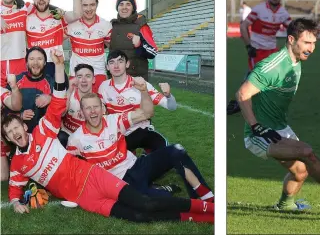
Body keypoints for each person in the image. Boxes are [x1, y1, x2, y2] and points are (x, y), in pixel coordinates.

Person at [2, 49, 213, 223]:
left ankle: (208, 204)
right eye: (10, 133)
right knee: (141, 212)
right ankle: (188, 209)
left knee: (161, 176)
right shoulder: (65, 143)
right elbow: (16, 187)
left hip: (107, 175)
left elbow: (57, 102)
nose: (15, 133)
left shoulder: (50, 130)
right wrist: (17, 201)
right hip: (94, 191)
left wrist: (58, 66)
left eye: (16, 128)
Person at [236, 18, 320, 211]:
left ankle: (285, 205)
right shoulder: (273, 66)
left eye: (314, 43)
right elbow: (242, 94)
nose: (311, 48)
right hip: (260, 134)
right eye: (306, 43)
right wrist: (256, 126)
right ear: (291, 40)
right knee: (306, 152)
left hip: (279, 127)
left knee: (300, 171)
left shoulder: (295, 61)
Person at [68, 90, 214, 201]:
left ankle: (206, 196)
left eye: (96, 107)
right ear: (82, 112)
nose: (93, 111)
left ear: (103, 109)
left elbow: (147, 113)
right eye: (88, 108)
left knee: (177, 150)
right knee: (155, 201)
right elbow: (69, 168)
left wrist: (143, 90)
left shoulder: (115, 120)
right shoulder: (76, 139)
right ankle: (162, 190)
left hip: (138, 166)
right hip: (121, 182)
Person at [227, 0, 291, 116]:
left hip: (272, 49)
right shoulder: (259, 9)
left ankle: (263, 103)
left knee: (275, 76)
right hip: (257, 49)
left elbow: (292, 28)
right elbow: (243, 26)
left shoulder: (283, 13)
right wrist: (248, 46)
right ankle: (240, 100)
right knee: (254, 75)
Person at [98, 50, 176, 152]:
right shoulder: (103, 87)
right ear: (107, 67)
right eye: (112, 62)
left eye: (120, 61)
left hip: (141, 130)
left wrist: (168, 95)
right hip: (119, 134)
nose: (116, 65)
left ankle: (148, 156)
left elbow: (172, 106)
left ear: (127, 64)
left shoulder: (141, 83)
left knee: (164, 151)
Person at [26, 0, 82, 77]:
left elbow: (77, 14)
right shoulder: (27, 19)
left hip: (56, 67)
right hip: (34, 68)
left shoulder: (58, 17)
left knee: (59, 93)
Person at [66, 0, 112, 92]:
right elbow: (56, 40)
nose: (88, 9)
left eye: (92, 5)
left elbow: (113, 48)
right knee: (75, 107)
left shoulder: (105, 25)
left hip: (98, 75)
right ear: (80, 6)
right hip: (76, 75)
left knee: (98, 107)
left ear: (97, 4)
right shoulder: (72, 25)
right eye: (85, 5)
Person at [6, 47, 57, 133]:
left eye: (40, 59)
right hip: (20, 133)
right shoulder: (15, 81)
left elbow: (62, 104)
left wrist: (50, 98)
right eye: (32, 59)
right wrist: (19, 115)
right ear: (26, 63)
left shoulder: (51, 82)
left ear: (45, 63)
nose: (35, 63)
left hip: (44, 132)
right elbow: (4, 110)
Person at [109, 0, 157, 81]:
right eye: (121, 4)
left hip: (136, 81)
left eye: (128, 4)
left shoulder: (142, 26)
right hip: (115, 81)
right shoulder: (111, 26)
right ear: (117, 7)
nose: (124, 7)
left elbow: (153, 52)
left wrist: (139, 45)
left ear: (133, 8)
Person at [59, 63, 104, 148]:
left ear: (94, 80)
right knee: (60, 137)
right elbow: (61, 114)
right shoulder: (69, 94)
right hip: (67, 134)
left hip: (88, 138)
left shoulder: (99, 100)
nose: (83, 80)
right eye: (79, 76)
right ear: (75, 80)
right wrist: (68, 92)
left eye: (88, 76)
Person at [1, 0, 29, 88]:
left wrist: (58, 10)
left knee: (20, 102)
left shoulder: (24, 8)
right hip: (0, 64)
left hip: (19, 63)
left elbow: (42, 5)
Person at [1, 78, 22, 181]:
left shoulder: (1, 91)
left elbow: (16, 106)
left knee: (3, 177)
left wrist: (14, 87)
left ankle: (8, 156)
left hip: (2, 140)